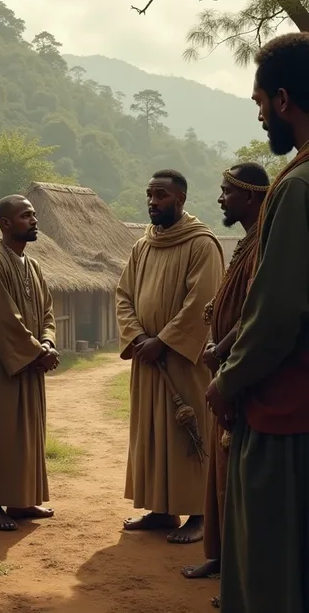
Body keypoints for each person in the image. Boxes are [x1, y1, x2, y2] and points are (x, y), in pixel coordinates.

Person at [207, 32, 309, 613]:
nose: (261, 111)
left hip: (287, 416)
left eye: (259, 102)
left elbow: (276, 314)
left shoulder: (295, 188)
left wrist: (228, 380)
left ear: (284, 100)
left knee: (272, 574)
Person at [117, 170, 224, 544]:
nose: (152, 201)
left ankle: (199, 513)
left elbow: (203, 303)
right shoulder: (142, 245)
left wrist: (163, 340)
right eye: (149, 195)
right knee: (151, 433)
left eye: (160, 195)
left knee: (188, 433)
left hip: (183, 360)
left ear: (180, 199)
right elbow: (123, 294)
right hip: (148, 359)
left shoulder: (201, 244)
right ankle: (161, 510)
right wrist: (137, 336)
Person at [182, 163, 269, 608]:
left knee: (234, 472)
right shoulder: (246, 243)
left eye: (226, 193)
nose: (220, 199)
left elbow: (258, 309)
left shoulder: (265, 243)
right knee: (219, 469)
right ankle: (218, 558)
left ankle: (236, 571)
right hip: (224, 361)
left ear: (250, 197)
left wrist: (222, 349)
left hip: (241, 369)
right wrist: (216, 340)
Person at [0, 194, 59, 532]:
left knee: (27, 432)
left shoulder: (33, 265)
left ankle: (21, 501)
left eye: (34, 215)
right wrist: (38, 351)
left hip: (31, 363)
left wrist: (48, 342)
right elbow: (3, 319)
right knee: (1, 429)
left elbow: (48, 311)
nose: (34, 220)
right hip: (3, 366)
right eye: (26, 216)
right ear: (6, 223)